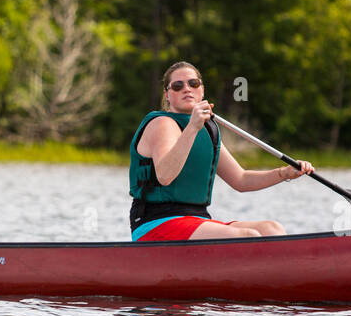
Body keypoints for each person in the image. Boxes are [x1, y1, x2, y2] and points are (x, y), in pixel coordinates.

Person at [129, 61, 311, 241]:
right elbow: (165, 176)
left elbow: (241, 179)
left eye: (193, 83)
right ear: (167, 94)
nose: (187, 89)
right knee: (249, 236)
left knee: (272, 229)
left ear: (202, 90)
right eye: (178, 86)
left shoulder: (208, 129)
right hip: (156, 222)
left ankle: (280, 269)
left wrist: (284, 173)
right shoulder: (162, 124)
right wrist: (192, 127)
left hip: (197, 219)